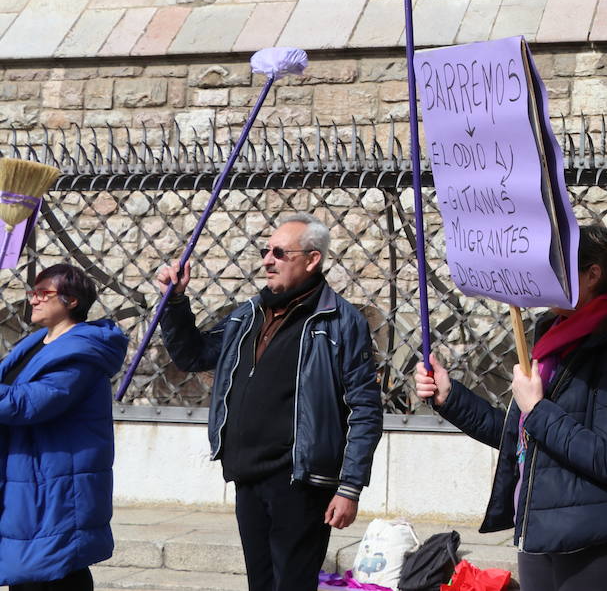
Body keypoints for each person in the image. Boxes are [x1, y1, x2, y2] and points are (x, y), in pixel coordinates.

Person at [415, 224, 607, 591]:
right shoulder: (552, 344)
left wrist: (537, 408)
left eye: (553, 266)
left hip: (594, 547)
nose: (539, 276)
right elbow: (520, 438)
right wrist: (450, 398)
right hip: (538, 538)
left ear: (592, 275)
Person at [157, 212, 382, 591]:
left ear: (312, 259)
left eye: (279, 252)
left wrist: (349, 487)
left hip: (301, 479)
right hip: (248, 475)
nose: (267, 260)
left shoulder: (340, 322)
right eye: (266, 250)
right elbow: (192, 356)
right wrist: (176, 301)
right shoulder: (249, 315)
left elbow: (365, 410)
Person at [0, 264, 128, 591]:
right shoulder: (35, 344)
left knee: (54, 567)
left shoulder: (81, 351)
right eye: (33, 292)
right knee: (30, 567)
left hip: (58, 480)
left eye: (44, 293)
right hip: (28, 475)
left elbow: (31, 403)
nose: (34, 300)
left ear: (71, 301)